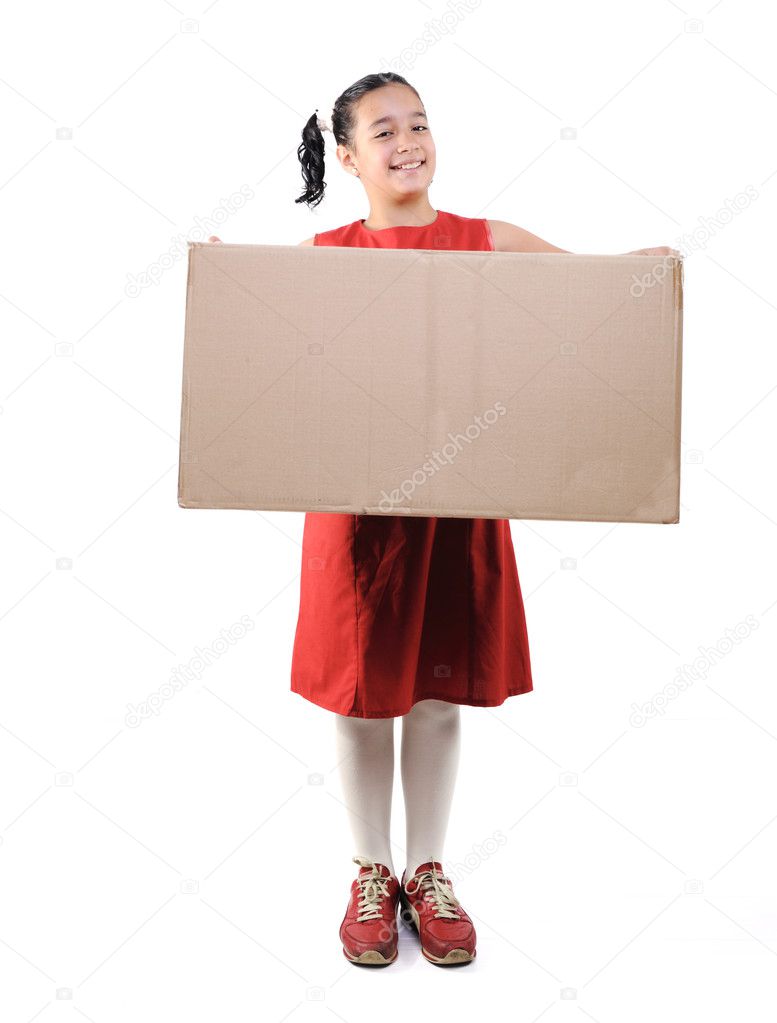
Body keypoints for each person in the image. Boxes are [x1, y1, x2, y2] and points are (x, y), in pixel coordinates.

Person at [209, 71, 676, 969]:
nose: (406, 141)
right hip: (356, 514)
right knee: (359, 690)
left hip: (457, 503)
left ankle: (427, 871)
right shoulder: (329, 253)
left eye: (418, 123)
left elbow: (589, 301)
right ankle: (369, 874)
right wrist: (225, 274)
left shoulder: (487, 241)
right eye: (382, 131)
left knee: (431, 688)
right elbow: (260, 329)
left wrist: (638, 270)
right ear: (346, 157)